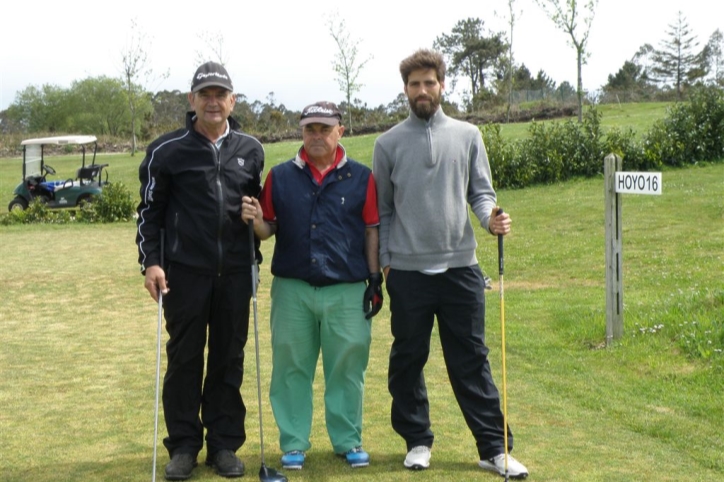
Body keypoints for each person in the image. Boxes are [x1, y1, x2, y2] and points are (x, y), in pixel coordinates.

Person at [372, 49, 529, 479]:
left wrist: (490, 219)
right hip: (406, 271)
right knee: (408, 359)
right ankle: (417, 440)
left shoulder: (468, 135)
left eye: (429, 82)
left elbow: (481, 192)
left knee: (471, 359)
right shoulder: (386, 144)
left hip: (461, 267)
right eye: (414, 84)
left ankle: (493, 448)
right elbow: (383, 211)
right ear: (405, 89)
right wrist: (387, 265)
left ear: (442, 86)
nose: (422, 90)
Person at [136, 61, 264, 481]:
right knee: (185, 359)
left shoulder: (251, 149)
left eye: (220, 94)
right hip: (184, 273)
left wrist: (255, 216)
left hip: (236, 273)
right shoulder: (165, 151)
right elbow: (149, 215)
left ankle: (224, 444)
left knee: (229, 358)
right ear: (191, 101)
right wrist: (151, 262)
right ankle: (184, 446)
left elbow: (259, 210)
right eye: (204, 94)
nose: (213, 101)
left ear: (232, 100)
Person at [241, 101, 382, 471]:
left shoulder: (363, 177)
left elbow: (371, 228)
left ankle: (348, 439)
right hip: (292, 289)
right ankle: (293, 443)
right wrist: (256, 220)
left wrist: (374, 278)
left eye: (324, 128)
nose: (316, 136)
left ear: (341, 131)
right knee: (290, 367)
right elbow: (267, 229)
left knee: (348, 367)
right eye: (309, 129)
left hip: (348, 289)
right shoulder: (281, 176)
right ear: (301, 132)